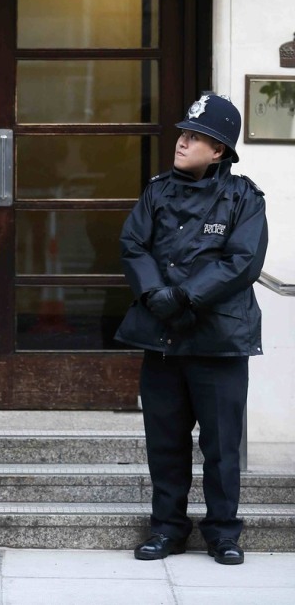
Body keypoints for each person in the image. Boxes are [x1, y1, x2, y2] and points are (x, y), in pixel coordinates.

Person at [115, 93, 268, 566]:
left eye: (194, 136)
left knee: (221, 445)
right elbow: (132, 243)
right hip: (161, 335)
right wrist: (155, 294)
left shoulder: (245, 197)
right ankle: (167, 529)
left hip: (219, 340)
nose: (181, 142)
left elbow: (242, 262)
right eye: (183, 133)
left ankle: (223, 532)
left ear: (218, 149)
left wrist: (183, 296)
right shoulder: (157, 190)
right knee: (165, 440)